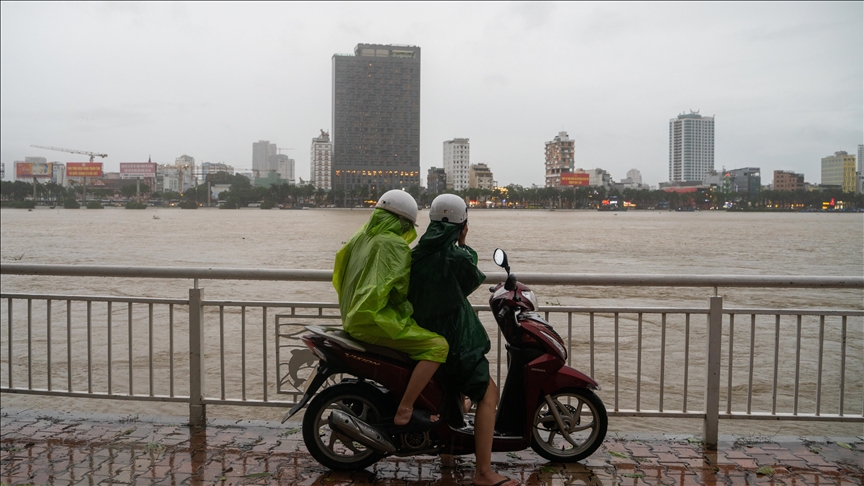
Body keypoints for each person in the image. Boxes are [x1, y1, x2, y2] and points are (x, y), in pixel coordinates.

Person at [408, 194, 517, 486]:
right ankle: (483, 472)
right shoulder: (455, 256)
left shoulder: (415, 254)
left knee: (452, 393)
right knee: (487, 393)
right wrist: (463, 244)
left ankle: (449, 454)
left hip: (423, 336)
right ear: (463, 224)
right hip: (455, 341)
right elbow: (471, 279)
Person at [332, 189, 449, 430]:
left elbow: (340, 275)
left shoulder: (360, 238)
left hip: (353, 318)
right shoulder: (394, 245)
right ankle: (405, 408)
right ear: (403, 221)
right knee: (438, 346)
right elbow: (398, 291)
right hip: (374, 322)